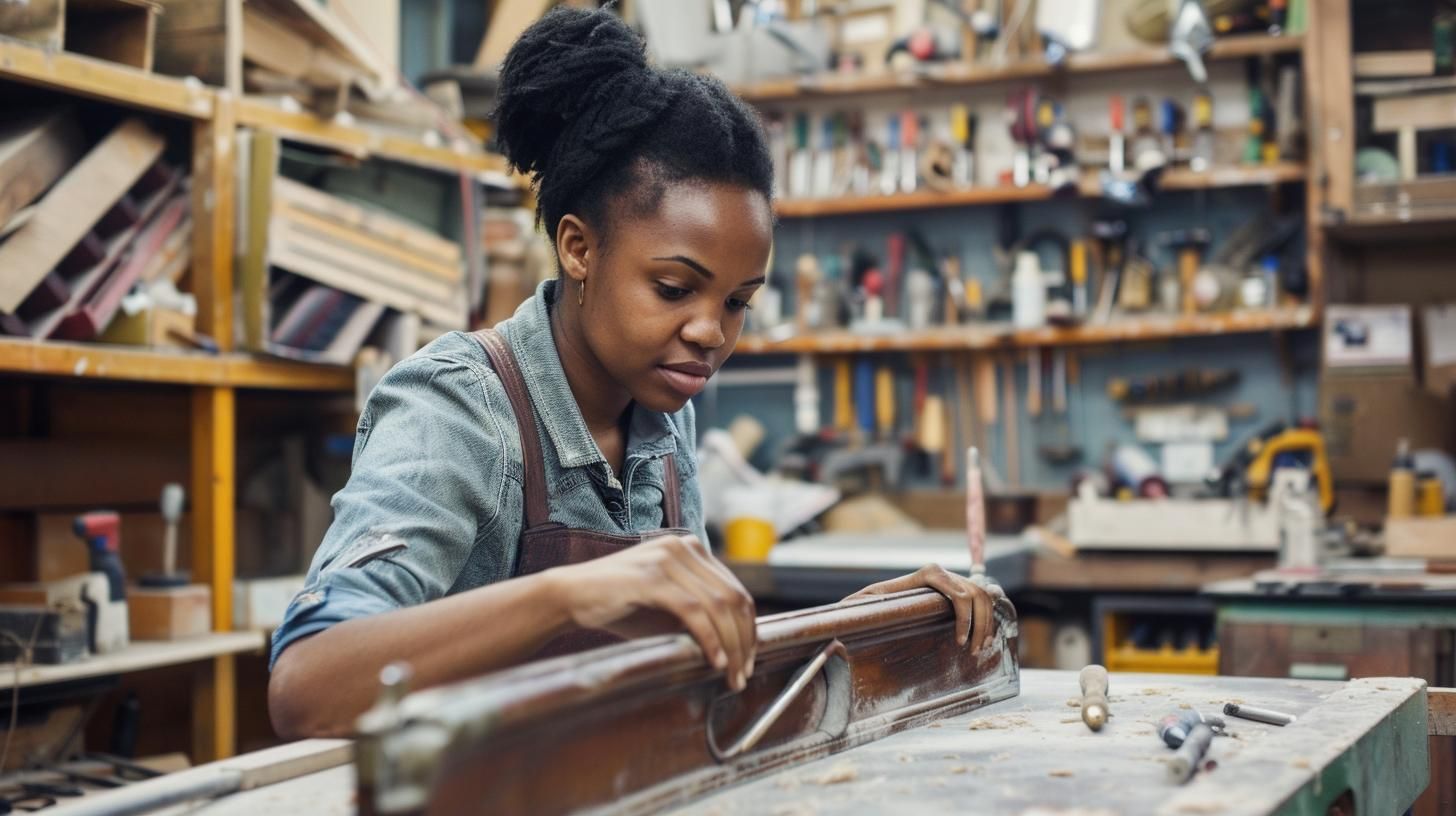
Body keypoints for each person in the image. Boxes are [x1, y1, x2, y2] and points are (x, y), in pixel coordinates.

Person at [268, 6, 998, 740]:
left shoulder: (661, 411)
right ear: (579, 250)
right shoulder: (459, 408)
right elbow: (307, 684)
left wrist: (859, 626)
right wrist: (574, 595)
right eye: (675, 289)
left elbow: (693, 666)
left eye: (738, 301)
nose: (711, 332)